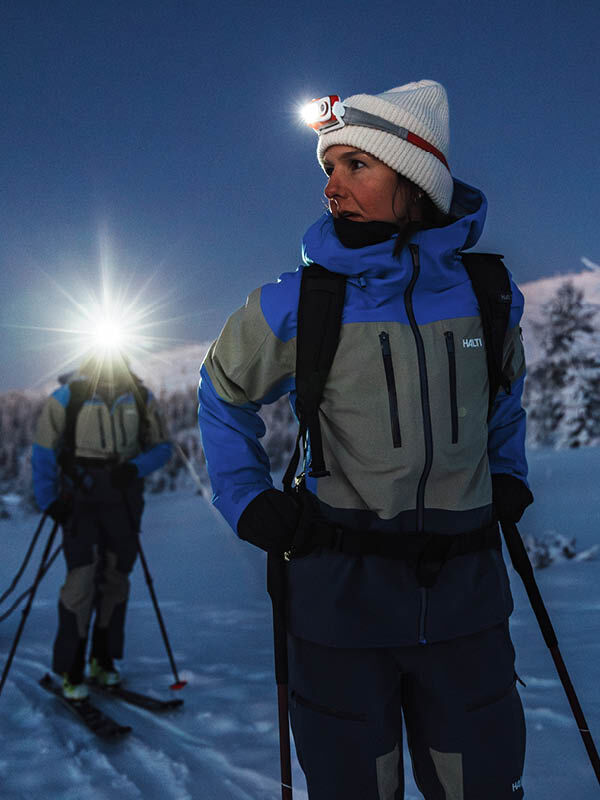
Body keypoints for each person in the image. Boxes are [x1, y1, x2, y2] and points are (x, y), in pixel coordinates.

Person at [198, 80, 533, 799]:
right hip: (339, 608)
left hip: (468, 605)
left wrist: (507, 472)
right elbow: (222, 393)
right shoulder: (297, 301)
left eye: (357, 165)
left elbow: (505, 397)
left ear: (417, 180)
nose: (332, 185)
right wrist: (246, 499)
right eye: (329, 167)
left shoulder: (489, 295)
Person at [32, 350, 172, 700]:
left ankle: (103, 660)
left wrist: (135, 468)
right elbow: (43, 451)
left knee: (116, 579)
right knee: (81, 580)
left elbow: (163, 448)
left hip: (124, 500)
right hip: (80, 499)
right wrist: (49, 501)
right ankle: (71, 668)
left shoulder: (140, 397)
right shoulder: (68, 396)